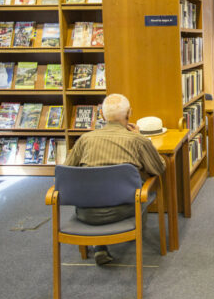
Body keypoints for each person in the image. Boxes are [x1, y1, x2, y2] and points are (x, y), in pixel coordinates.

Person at [64, 94, 166, 265]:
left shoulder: (85, 139)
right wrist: (141, 138)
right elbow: (159, 168)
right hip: (124, 211)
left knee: (97, 187)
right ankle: (135, 231)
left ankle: (99, 246)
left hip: (86, 213)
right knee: (138, 187)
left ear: (103, 116)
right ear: (129, 114)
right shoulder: (137, 140)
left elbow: (67, 172)